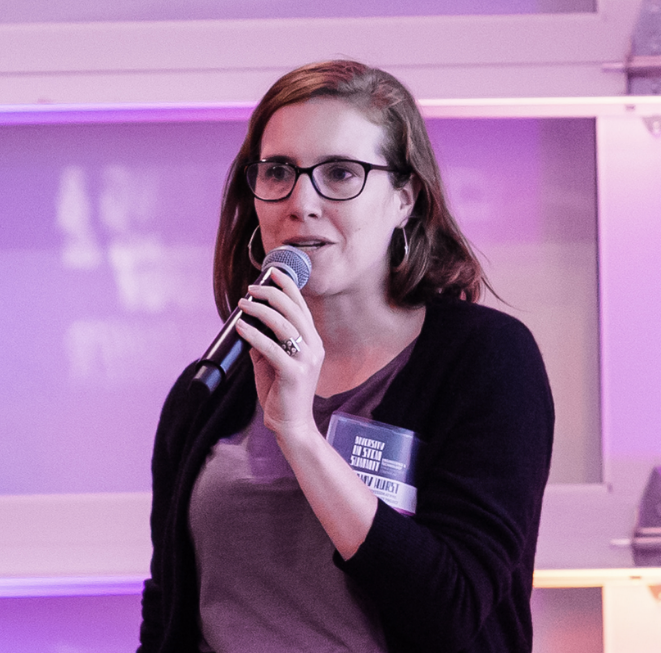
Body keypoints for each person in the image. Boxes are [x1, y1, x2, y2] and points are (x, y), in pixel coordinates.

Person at [138, 60, 554, 653]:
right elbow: (168, 606)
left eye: (340, 173)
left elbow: (454, 612)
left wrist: (299, 436)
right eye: (278, 171)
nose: (301, 202)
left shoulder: (485, 360)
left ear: (405, 199)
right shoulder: (212, 384)